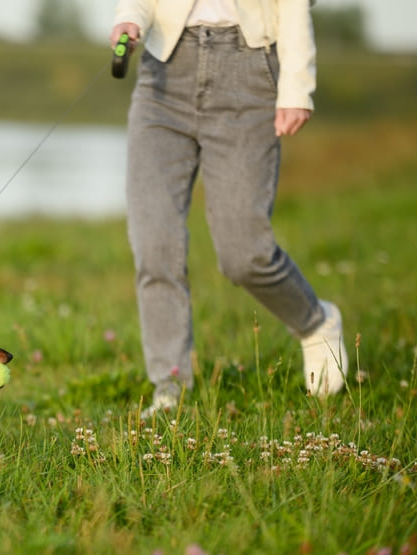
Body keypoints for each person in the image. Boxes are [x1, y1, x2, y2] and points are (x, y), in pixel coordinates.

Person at [111, 0, 348, 417]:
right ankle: (170, 387)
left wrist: (296, 87)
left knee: (245, 255)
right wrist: (128, 20)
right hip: (164, 76)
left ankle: (315, 321)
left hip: (250, 73)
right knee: (154, 245)